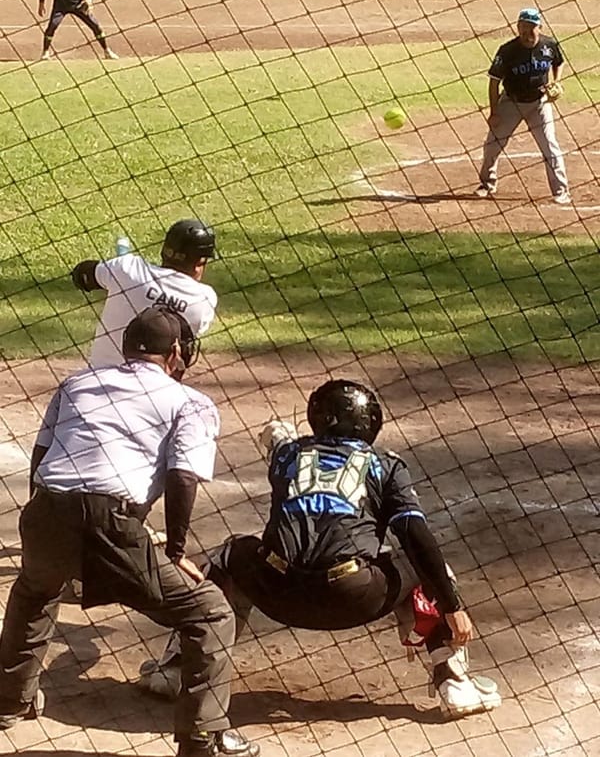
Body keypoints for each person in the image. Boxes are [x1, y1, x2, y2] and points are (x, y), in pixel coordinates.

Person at [141, 379, 501, 720]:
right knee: (429, 569)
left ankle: (177, 668)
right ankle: (454, 682)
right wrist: (451, 604)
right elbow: (415, 535)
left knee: (232, 553)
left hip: (276, 589)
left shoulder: (286, 457)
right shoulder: (386, 465)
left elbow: (279, 442)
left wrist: (281, 433)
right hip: (354, 596)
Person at [0, 308, 259, 757]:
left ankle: (8, 703)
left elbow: (42, 458)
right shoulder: (189, 402)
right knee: (211, 612)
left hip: (45, 510)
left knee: (35, 591)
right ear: (176, 352)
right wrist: (176, 549)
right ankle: (202, 738)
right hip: (110, 520)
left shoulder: (77, 383)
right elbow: (182, 477)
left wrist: (49, 528)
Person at [71, 219, 218, 369]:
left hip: (101, 382)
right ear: (200, 262)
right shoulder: (204, 300)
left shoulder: (128, 269)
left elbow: (81, 275)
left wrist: (114, 275)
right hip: (154, 388)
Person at [476, 7, 570, 205]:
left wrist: (557, 81)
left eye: (531, 28)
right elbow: (494, 82)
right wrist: (494, 112)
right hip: (511, 102)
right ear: (518, 27)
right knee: (493, 145)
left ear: (539, 27)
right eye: (523, 28)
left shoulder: (549, 45)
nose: (527, 33)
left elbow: (558, 62)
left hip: (539, 102)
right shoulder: (507, 51)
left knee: (550, 146)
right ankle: (487, 184)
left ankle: (561, 191)